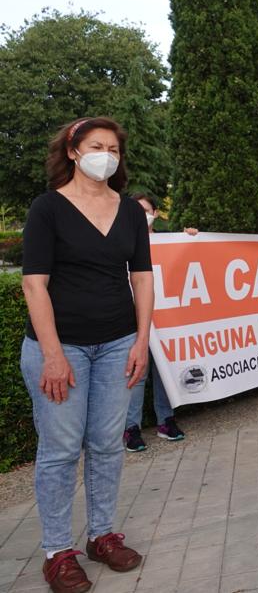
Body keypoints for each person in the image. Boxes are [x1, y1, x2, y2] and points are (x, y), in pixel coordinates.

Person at [20, 117, 152, 592]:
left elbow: (142, 277)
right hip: (62, 349)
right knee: (58, 452)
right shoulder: (47, 208)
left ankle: (101, 534)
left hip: (118, 344)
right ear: (73, 151)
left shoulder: (130, 211)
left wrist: (141, 341)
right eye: (97, 146)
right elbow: (34, 284)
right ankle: (57, 551)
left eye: (114, 149)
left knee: (105, 445)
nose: (107, 155)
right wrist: (53, 356)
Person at [122, 195, 198, 452]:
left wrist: (190, 238)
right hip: (135, 319)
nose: (142, 214)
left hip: (167, 321)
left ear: (155, 212)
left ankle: (165, 421)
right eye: (137, 210)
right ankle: (130, 428)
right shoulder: (122, 240)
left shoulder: (169, 240)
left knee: (165, 371)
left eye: (146, 210)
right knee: (138, 373)